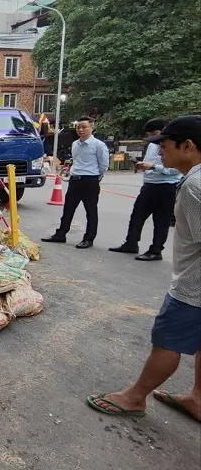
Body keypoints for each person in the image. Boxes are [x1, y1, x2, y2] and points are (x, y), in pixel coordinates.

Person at [86, 115, 201, 421]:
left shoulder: (194, 185)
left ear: (187, 146)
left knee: (167, 341)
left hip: (194, 287)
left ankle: (135, 398)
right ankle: (198, 398)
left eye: (164, 145)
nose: (160, 152)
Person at [109, 119, 182, 261]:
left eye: (155, 134)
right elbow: (150, 163)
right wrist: (143, 167)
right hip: (149, 185)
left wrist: (153, 167)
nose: (153, 138)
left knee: (161, 221)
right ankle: (131, 243)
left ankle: (156, 250)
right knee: (137, 216)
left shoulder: (173, 146)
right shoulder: (152, 145)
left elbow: (176, 169)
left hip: (166, 186)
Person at [42, 116, 110, 249]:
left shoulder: (98, 145)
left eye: (84, 127)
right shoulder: (75, 144)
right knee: (68, 208)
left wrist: (96, 177)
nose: (81, 130)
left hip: (90, 180)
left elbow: (103, 165)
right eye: (78, 127)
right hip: (75, 179)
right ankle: (61, 234)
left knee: (90, 210)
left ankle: (89, 238)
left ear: (92, 127)